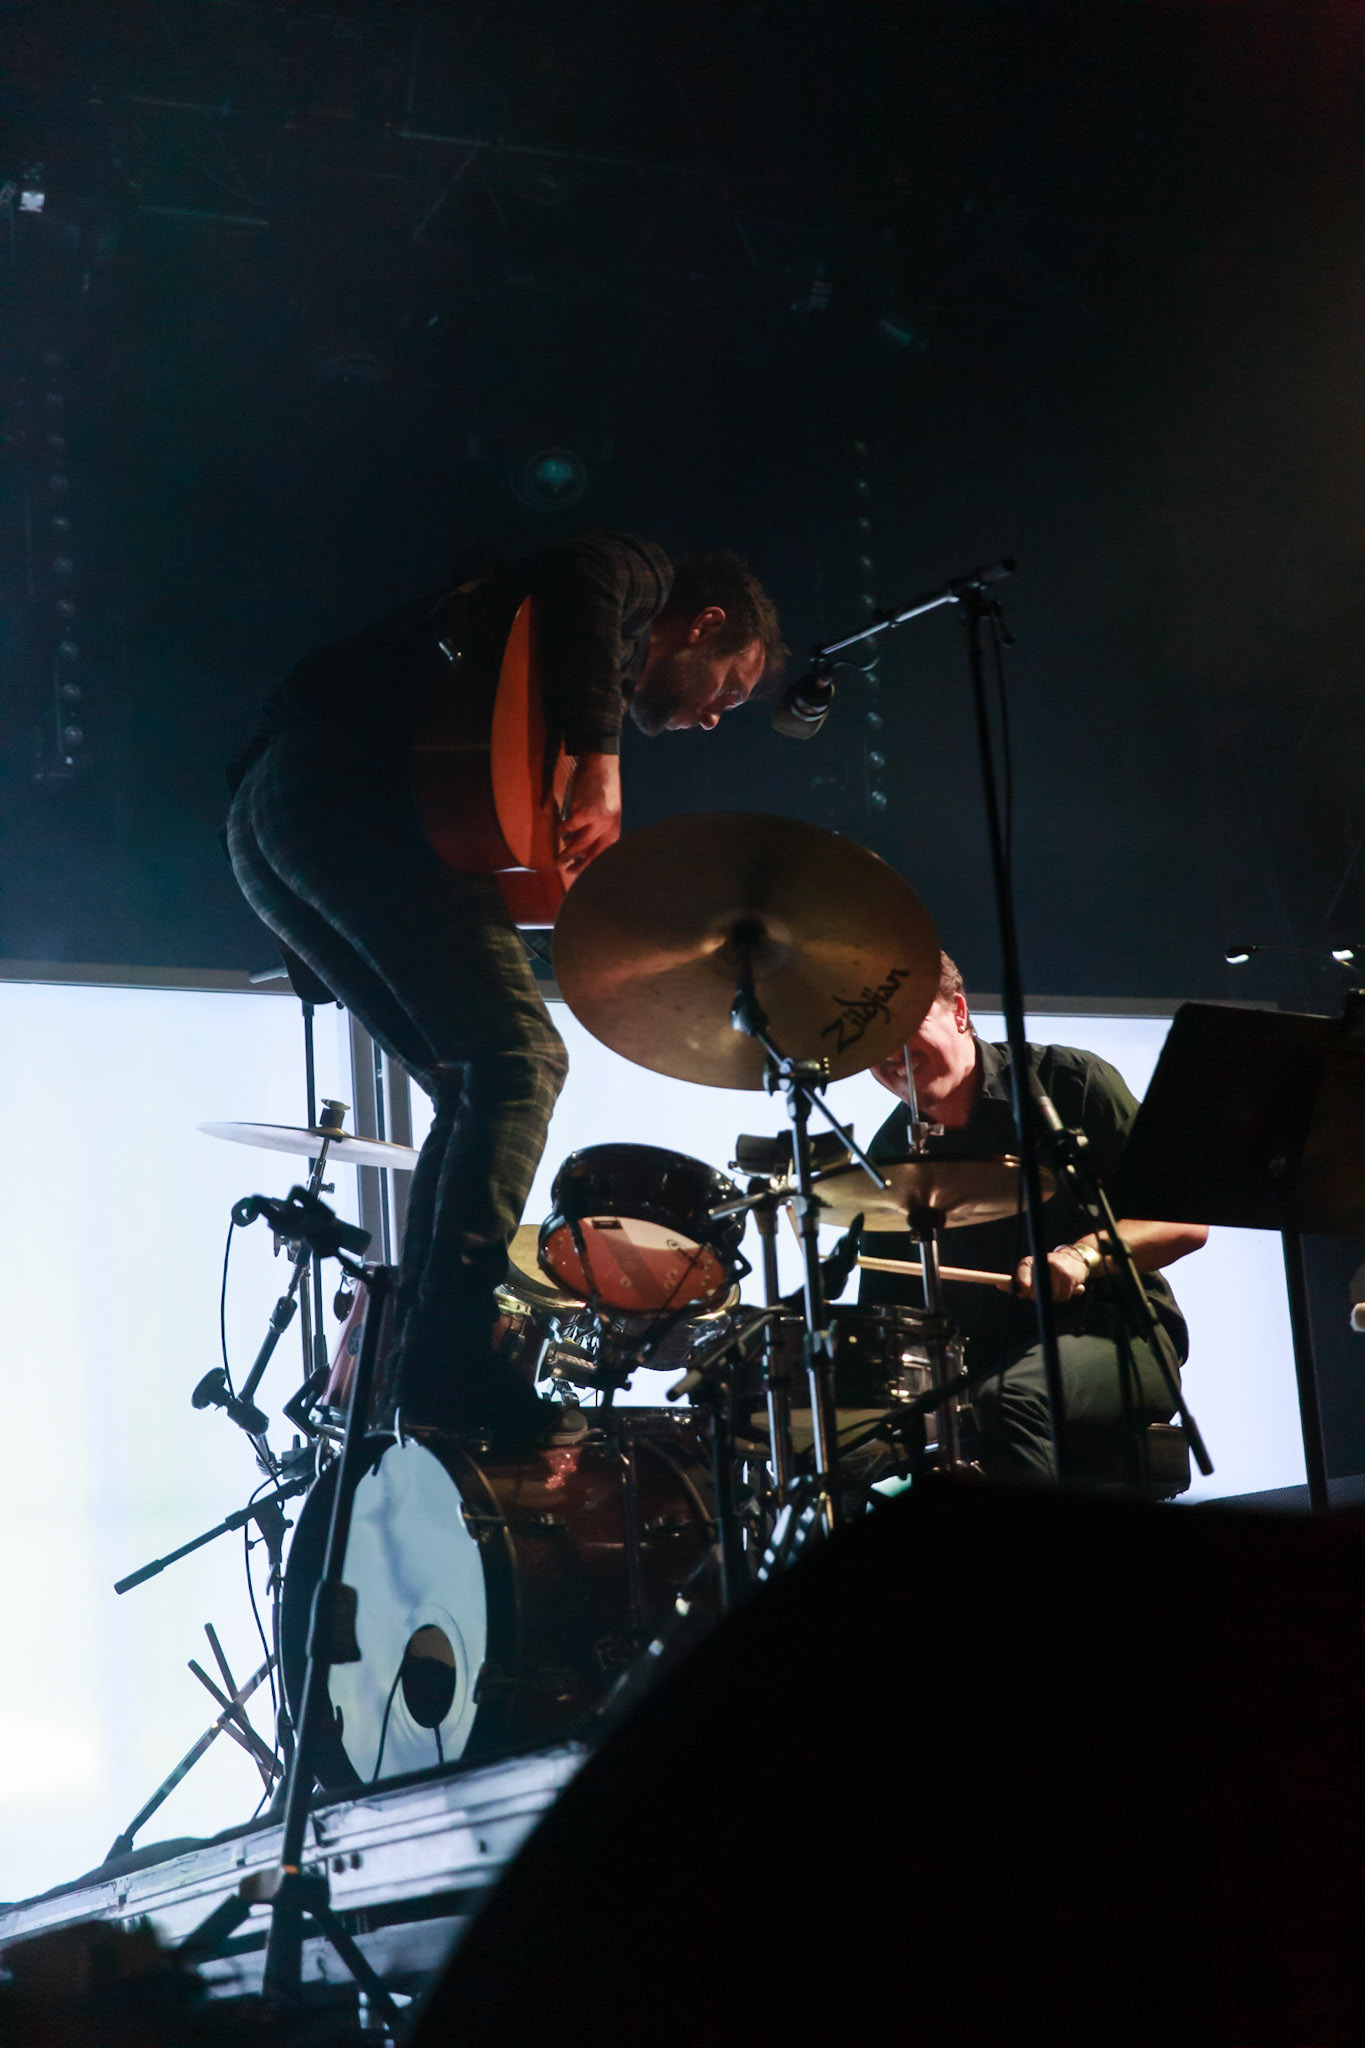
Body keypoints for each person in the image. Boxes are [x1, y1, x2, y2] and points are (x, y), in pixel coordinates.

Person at [226, 532, 785, 1444]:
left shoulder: (539, 680)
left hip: (271, 819)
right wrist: (600, 763)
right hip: (344, 793)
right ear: (702, 623)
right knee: (520, 1061)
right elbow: (585, 567)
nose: (715, 717)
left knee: (470, 1077)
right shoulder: (643, 581)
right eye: (727, 687)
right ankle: (448, 1361)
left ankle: (416, 1361)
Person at [857, 952, 1207, 1484]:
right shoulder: (887, 1157)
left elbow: (1185, 1222)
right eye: (870, 1039)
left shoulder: (1069, 1083)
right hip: (982, 1366)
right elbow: (888, 1313)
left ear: (958, 1011)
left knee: (1010, 1396)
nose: (889, 1052)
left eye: (903, 1025)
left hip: (1119, 1334)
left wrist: (1081, 1256)